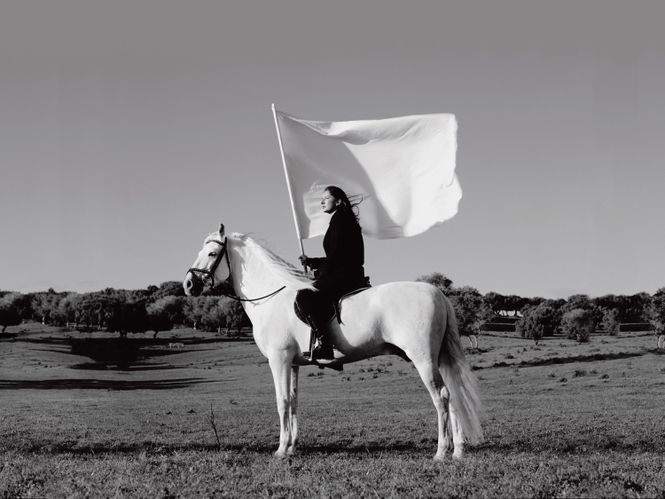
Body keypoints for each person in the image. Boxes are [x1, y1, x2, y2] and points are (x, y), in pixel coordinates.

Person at [295, 186, 368, 360]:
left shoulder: (340, 220)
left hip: (346, 275)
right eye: (322, 198)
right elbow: (337, 254)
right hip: (346, 272)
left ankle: (324, 343)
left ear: (338, 201)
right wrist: (312, 262)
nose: (322, 201)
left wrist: (319, 273)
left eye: (326, 198)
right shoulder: (342, 219)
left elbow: (336, 257)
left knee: (304, 296)